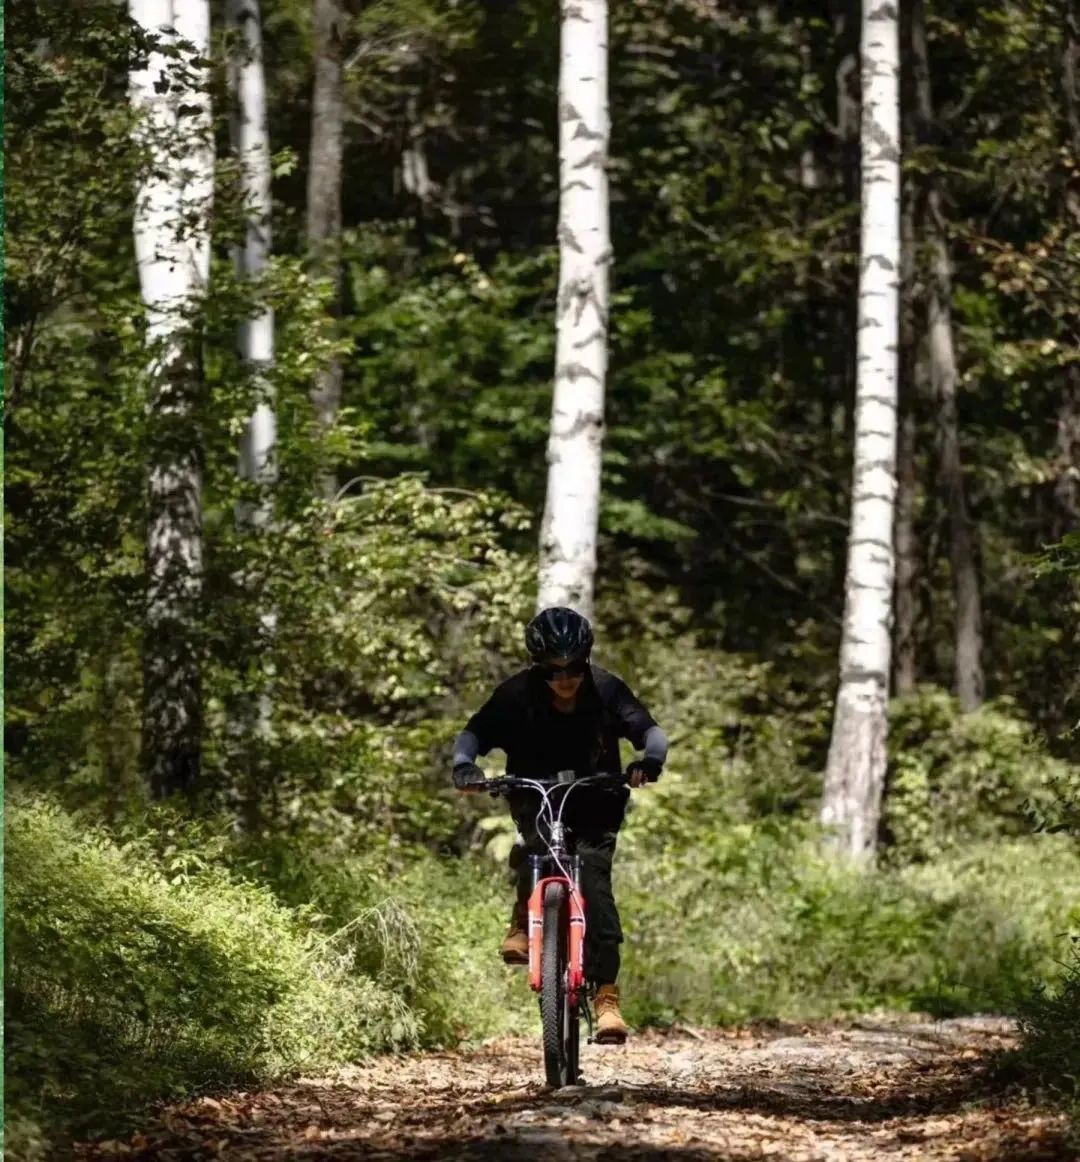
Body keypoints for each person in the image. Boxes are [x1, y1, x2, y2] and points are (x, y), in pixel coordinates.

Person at [450, 605, 669, 1044]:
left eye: (573, 669)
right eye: (554, 671)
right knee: (535, 849)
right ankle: (520, 921)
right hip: (535, 791)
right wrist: (464, 765)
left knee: (594, 883)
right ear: (538, 668)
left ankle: (606, 995)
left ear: (585, 661)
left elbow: (649, 731)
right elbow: (473, 734)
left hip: (598, 797)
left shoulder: (605, 688)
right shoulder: (516, 694)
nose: (565, 679)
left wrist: (649, 759)